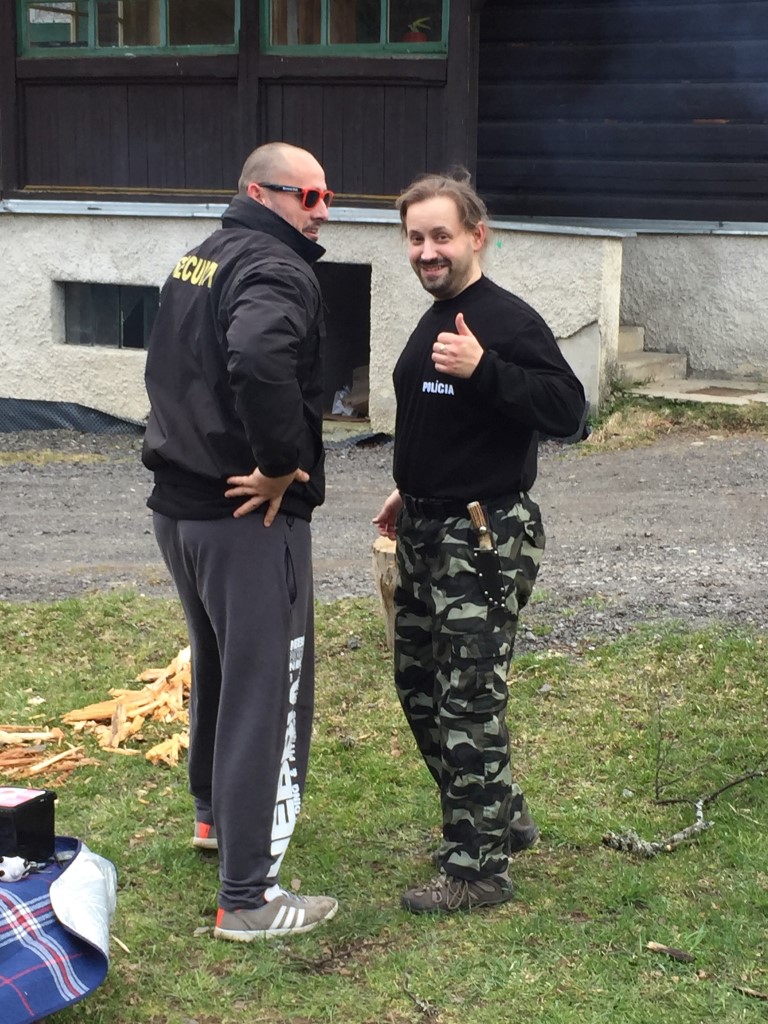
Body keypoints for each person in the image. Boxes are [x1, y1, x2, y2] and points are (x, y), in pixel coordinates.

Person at [373, 169, 586, 914]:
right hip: (426, 527)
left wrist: (486, 369)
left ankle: (478, 870)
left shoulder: (506, 321)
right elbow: (439, 415)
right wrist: (411, 484)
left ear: (476, 236)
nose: (427, 251)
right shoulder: (437, 314)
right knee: (419, 688)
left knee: (467, 699)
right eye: (415, 238)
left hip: (481, 538)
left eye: (441, 235)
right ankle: (500, 813)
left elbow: (568, 411)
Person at [142, 142, 338, 941]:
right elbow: (258, 356)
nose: (322, 209)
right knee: (266, 687)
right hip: (244, 516)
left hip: (181, 508)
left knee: (219, 664)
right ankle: (248, 898)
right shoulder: (274, 267)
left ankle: (214, 817)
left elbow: (170, 371)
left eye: (327, 196)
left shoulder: (201, 256)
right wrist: (281, 464)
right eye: (308, 195)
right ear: (260, 192)